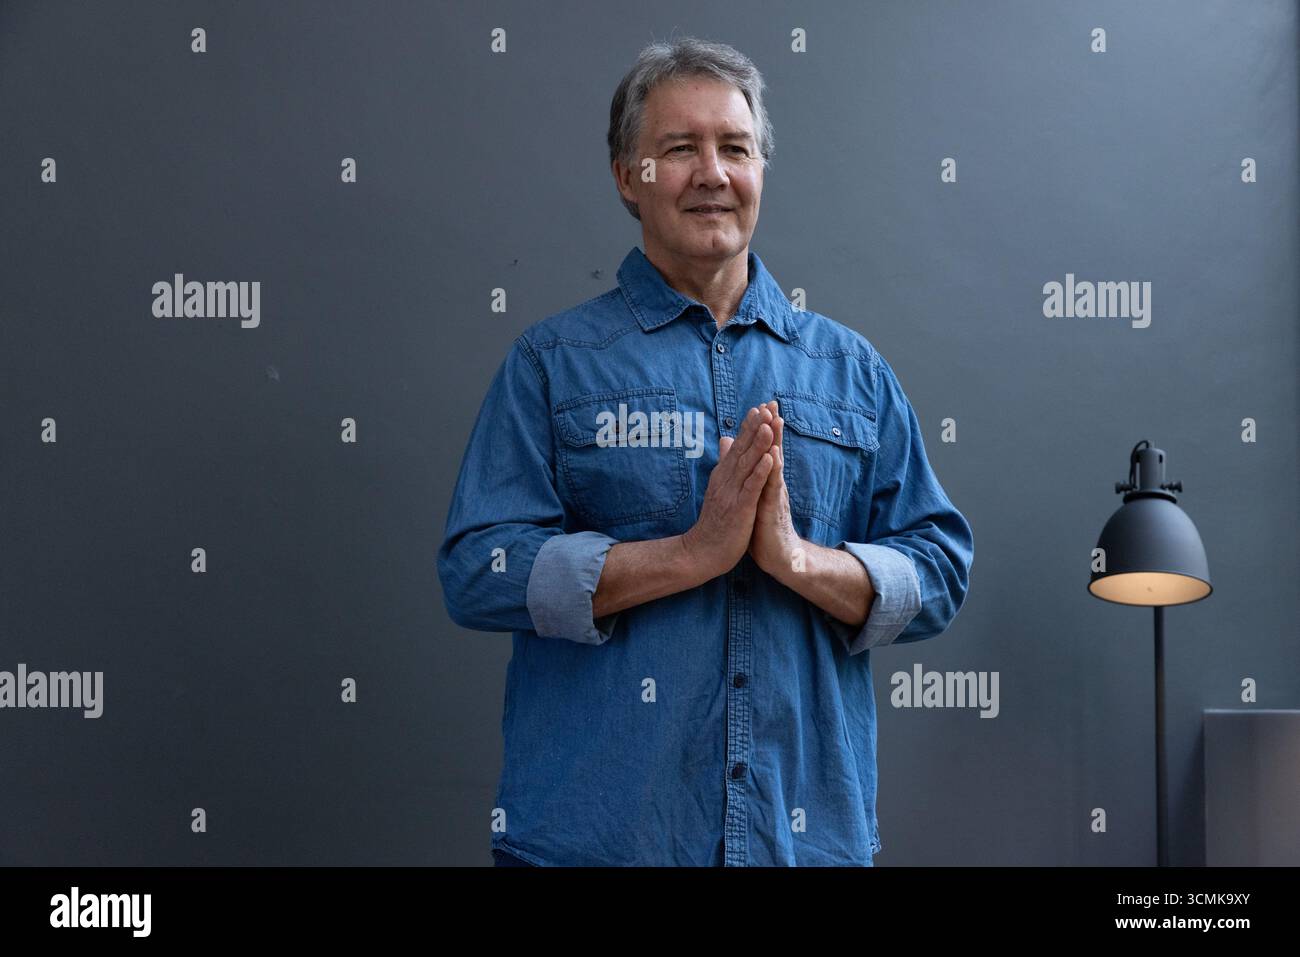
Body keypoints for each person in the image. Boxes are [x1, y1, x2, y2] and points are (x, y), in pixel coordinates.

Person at [437, 36, 973, 866]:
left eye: (735, 148)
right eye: (679, 149)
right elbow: (477, 567)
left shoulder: (852, 371)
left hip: (806, 844)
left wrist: (796, 560)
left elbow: (939, 570)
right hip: (600, 846)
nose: (712, 173)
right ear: (628, 177)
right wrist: (689, 555)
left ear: (761, 170)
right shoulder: (551, 366)